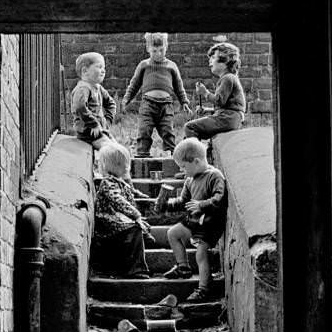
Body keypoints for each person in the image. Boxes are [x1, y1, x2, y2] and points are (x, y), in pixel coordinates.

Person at [155, 137, 227, 302]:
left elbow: (219, 197)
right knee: (173, 233)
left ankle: (204, 288)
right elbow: (183, 202)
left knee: (201, 253)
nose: (182, 170)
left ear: (196, 161)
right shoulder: (190, 180)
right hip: (193, 221)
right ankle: (183, 267)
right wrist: (166, 204)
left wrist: (202, 205)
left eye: (183, 166)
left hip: (209, 223)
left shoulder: (214, 176)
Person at [121, 32, 191, 157]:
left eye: (161, 50)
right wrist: (127, 98)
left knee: (168, 131)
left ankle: (172, 155)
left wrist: (184, 102)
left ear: (166, 47)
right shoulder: (144, 65)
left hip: (166, 105)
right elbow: (134, 84)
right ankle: (142, 154)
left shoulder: (171, 66)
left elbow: (178, 86)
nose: (158, 53)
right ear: (148, 49)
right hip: (148, 104)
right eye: (154, 51)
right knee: (144, 130)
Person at [92, 143, 152, 279]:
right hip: (108, 221)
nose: (127, 167)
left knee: (142, 226)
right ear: (112, 166)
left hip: (118, 220)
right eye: (122, 165)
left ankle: (141, 248)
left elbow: (129, 190)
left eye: (127, 164)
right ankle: (135, 269)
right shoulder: (107, 183)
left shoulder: (118, 181)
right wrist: (135, 213)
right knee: (135, 229)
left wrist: (141, 196)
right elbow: (118, 200)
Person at [184, 41, 246, 141]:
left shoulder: (227, 78)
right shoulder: (229, 78)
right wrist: (207, 110)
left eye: (213, 58)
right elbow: (225, 106)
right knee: (198, 130)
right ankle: (207, 152)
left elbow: (219, 101)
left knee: (190, 127)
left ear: (226, 61)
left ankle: (195, 153)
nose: (210, 62)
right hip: (230, 118)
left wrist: (205, 92)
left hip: (227, 119)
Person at [71, 51, 117, 149]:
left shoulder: (98, 87)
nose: (103, 71)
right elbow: (80, 107)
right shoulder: (83, 88)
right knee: (110, 150)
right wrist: (93, 124)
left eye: (104, 68)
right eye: (99, 67)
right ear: (85, 71)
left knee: (117, 149)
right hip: (87, 132)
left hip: (100, 130)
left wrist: (107, 120)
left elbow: (111, 103)